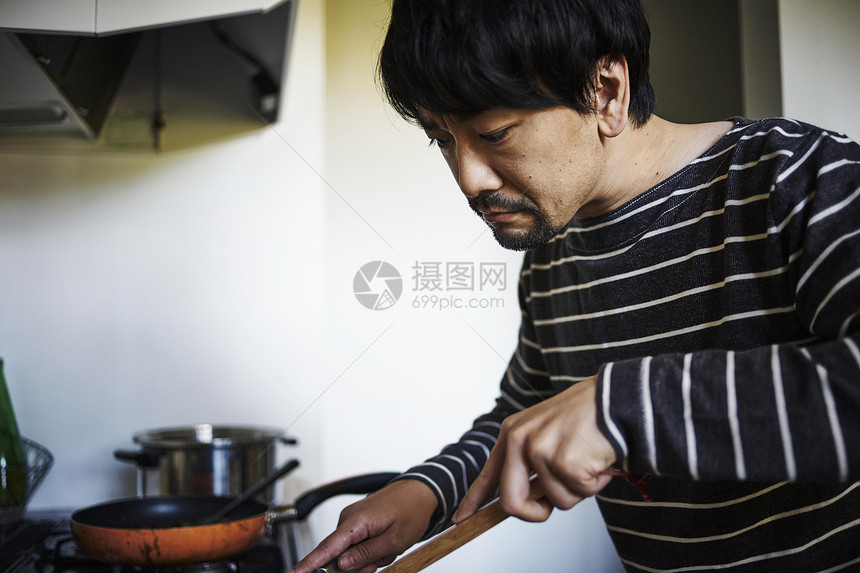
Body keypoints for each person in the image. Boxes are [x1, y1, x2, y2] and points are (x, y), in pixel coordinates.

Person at [292, 0, 860, 571]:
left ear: (605, 91)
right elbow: (525, 417)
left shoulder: (797, 178)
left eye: (495, 133)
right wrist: (426, 494)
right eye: (442, 139)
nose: (469, 179)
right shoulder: (552, 255)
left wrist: (625, 407)